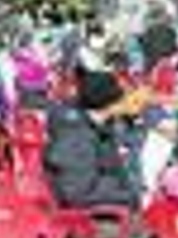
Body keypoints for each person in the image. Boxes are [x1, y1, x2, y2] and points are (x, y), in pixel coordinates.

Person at [42, 67, 140, 209]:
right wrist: (129, 194)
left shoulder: (91, 125)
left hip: (93, 191)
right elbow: (76, 194)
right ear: (110, 106)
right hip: (85, 215)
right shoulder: (78, 137)